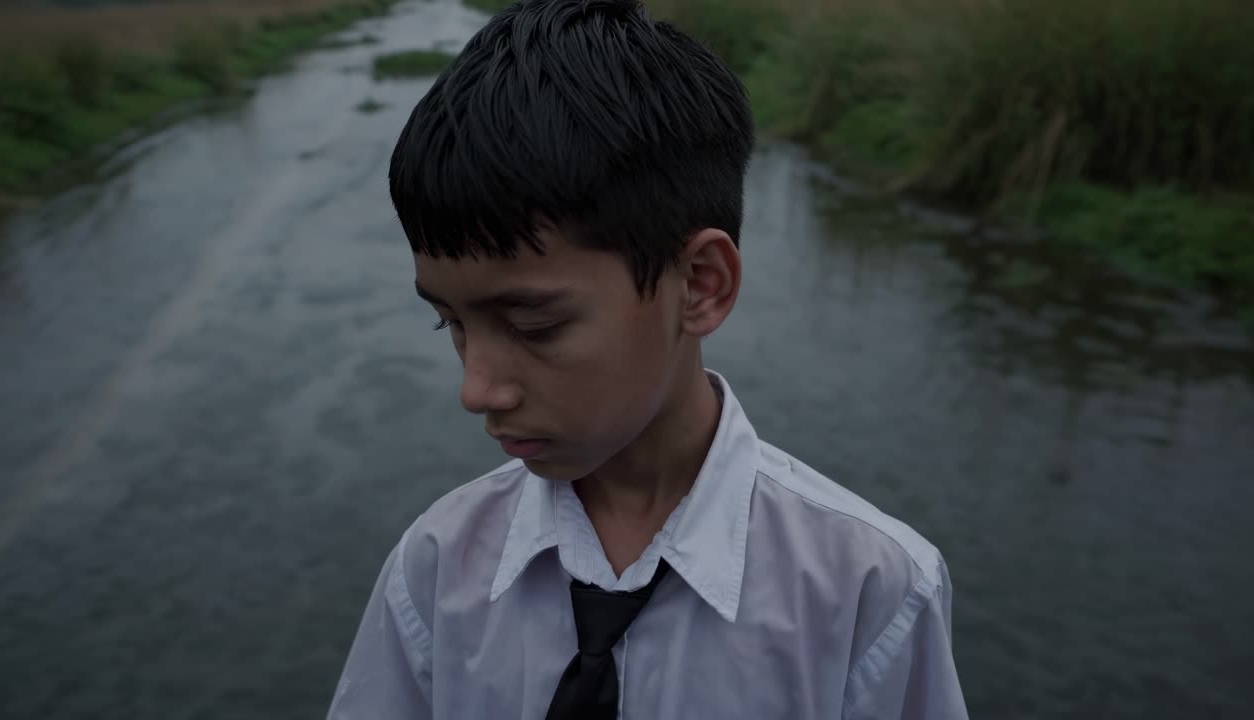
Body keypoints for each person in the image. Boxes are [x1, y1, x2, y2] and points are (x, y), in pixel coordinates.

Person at [327, 1, 969, 717]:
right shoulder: (435, 568)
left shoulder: (868, 591)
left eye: (534, 324)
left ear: (700, 285)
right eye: (449, 321)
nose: (477, 388)